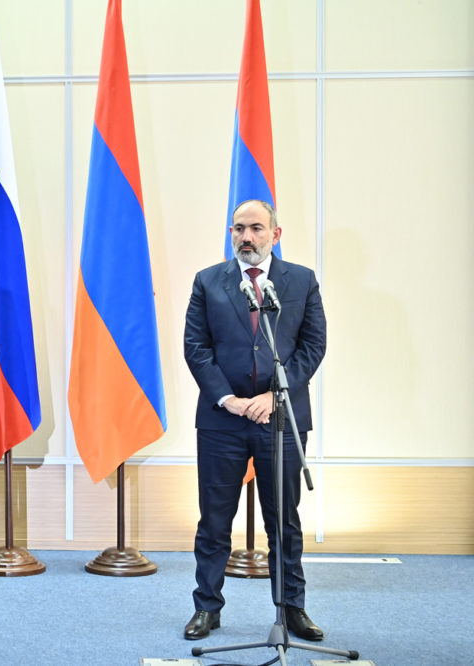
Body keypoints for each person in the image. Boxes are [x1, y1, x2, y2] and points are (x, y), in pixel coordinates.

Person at [182, 200, 327, 641]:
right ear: (231, 233)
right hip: (222, 420)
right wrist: (228, 399)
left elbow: (312, 347)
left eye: (257, 229)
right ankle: (207, 607)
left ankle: (292, 609)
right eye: (239, 229)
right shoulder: (208, 281)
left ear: (275, 234)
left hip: (280, 419)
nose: (247, 237)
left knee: (283, 520)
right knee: (214, 520)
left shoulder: (300, 281)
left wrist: (272, 396)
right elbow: (196, 346)